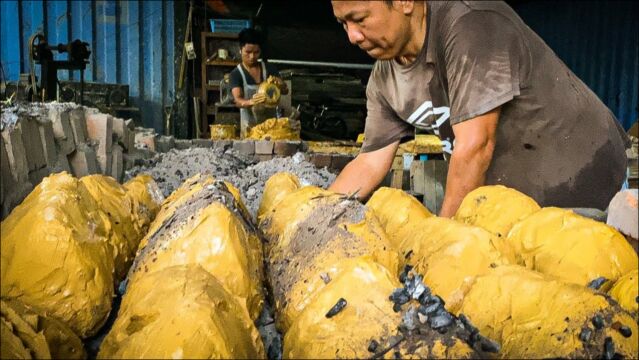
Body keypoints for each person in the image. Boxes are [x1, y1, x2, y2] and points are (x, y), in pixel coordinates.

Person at [330, 1, 629, 216]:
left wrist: (441, 238)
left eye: (360, 19)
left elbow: (475, 146)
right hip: (513, 208)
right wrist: (313, 214)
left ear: (405, 2)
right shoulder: (384, 78)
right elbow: (369, 162)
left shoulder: (471, 24)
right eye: (343, 24)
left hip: (584, 184)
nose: (352, 37)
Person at [230, 28, 288, 137]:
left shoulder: (269, 68)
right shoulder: (236, 74)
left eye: (256, 52)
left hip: (271, 128)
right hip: (249, 129)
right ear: (240, 50)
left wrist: (281, 84)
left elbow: (285, 91)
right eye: (248, 52)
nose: (252, 56)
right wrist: (250, 102)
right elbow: (237, 100)